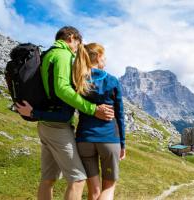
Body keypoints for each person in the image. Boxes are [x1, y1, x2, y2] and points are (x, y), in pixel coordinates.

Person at [16, 26, 114, 200]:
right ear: (71, 37)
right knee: (78, 179)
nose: (78, 48)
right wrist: (93, 109)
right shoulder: (62, 55)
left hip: (46, 123)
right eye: (78, 43)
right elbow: (62, 89)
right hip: (57, 127)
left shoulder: (48, 54)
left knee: (48, 179)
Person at [72, 43, 125, 200]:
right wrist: (122, 143)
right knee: (108, 188)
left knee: (94, 191)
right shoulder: (112, 80)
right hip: (109, 138)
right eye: (105, 57)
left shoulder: (78, 79)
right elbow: (120, 115)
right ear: (99, 57)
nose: (106, 60)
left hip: (84, 139)